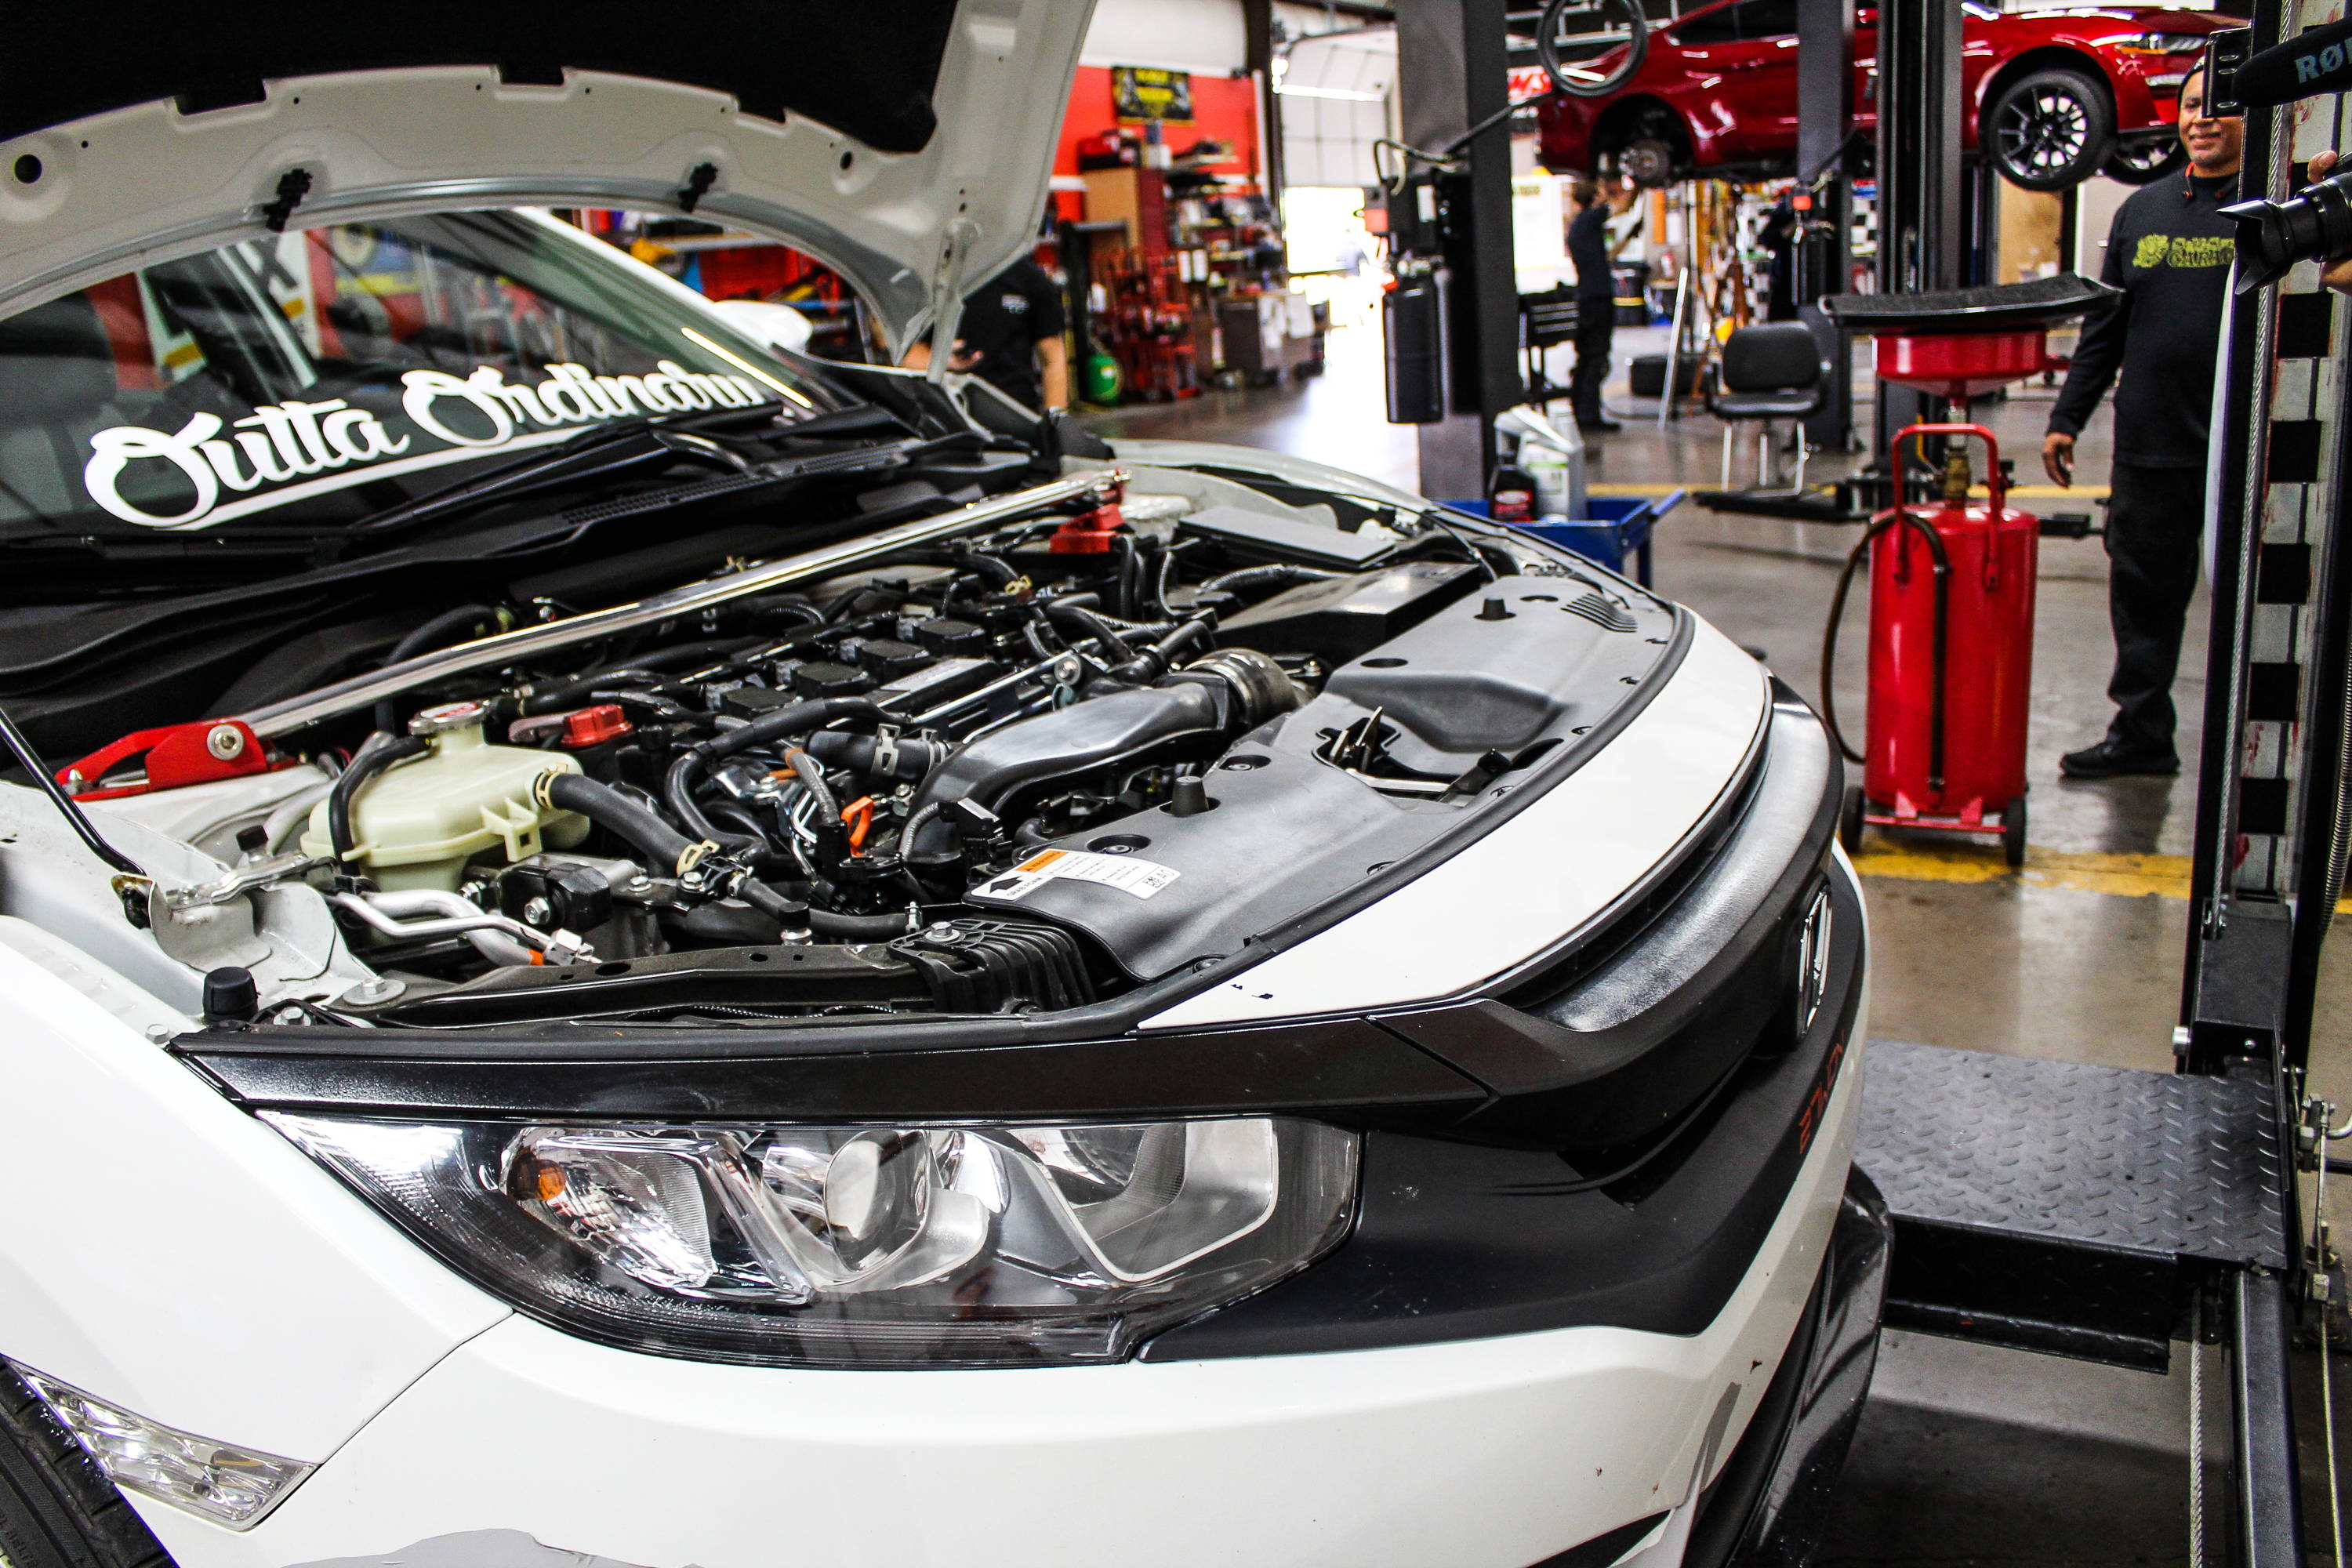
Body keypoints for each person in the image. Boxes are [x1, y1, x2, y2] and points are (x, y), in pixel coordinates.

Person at [2042, 67, 2241, 780]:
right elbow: (2106, 330)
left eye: (2220, 106)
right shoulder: (2143, 211)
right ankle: (2144, 735)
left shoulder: (2273, 211)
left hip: (2245, 455)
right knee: (2143, 602)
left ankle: (2255, 748)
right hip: (2152, 447)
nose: (2203, 119)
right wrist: (2068, 417)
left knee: (2254, 607)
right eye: (2192, 105)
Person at [902, 256, 1069, 413]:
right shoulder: (931, 278)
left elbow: (1053, 360)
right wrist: (937, 360)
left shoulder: (1028, 278)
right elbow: (903, 355)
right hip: (944, 418)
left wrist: (1055, 429)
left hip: (1015, 418)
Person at [1567, 179, 1621, 433]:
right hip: (1598, 298)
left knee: (1587, 356)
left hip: (1586, 296)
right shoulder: (1590, 219)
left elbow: (1604, 257)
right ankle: (1589, 416)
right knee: (1596, 357)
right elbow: (1622, 204)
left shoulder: (1577, 226)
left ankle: (1580, 411)